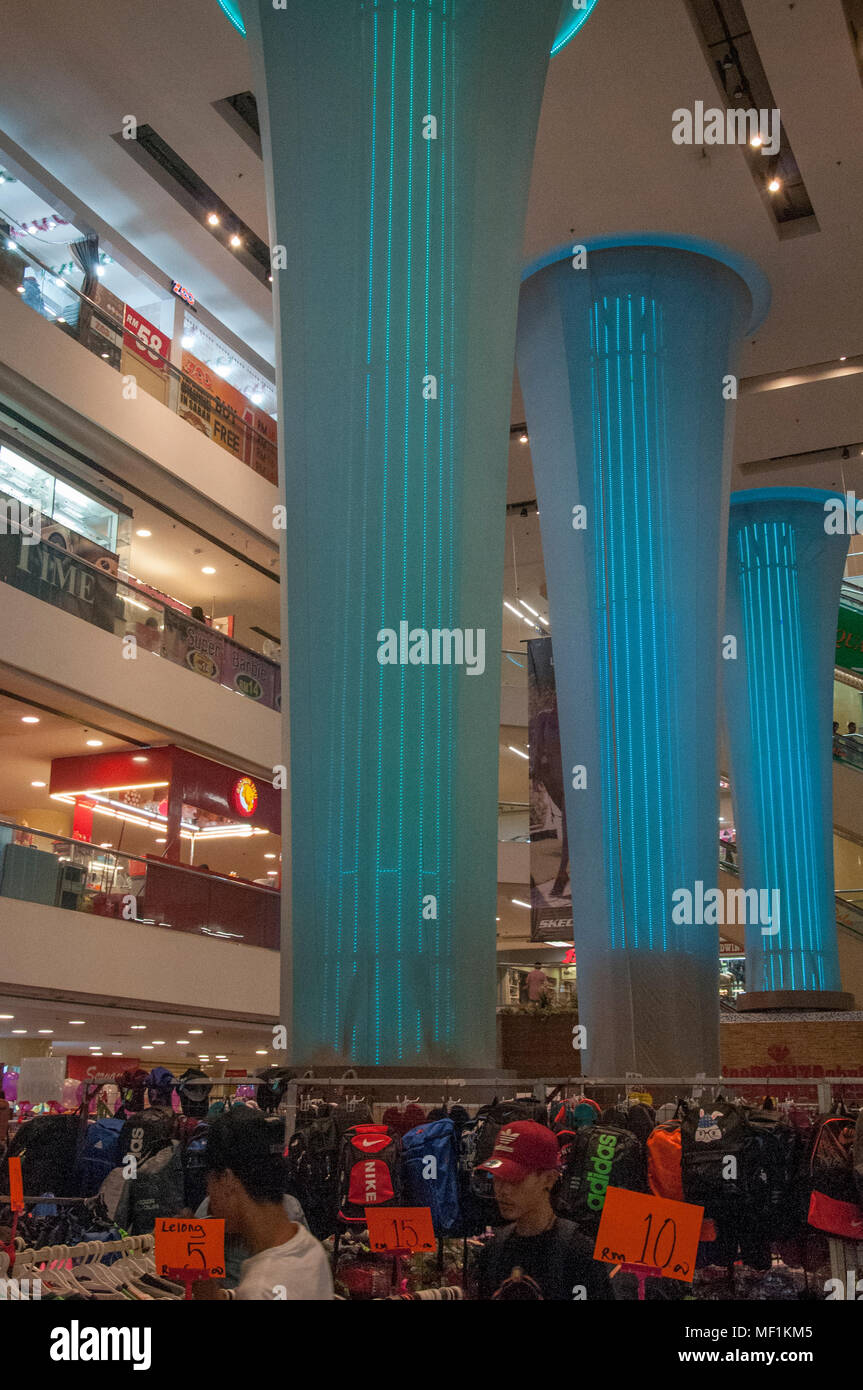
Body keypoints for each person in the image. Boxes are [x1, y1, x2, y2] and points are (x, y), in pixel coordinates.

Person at [192, 1109, 333, 1301]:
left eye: (210, 1184)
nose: (210, 1201)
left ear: (226, 1179)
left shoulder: (261, 1288)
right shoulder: (308, 1247)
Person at [474, 1121, 614, 1301]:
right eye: (497, 1177)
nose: (502, 1190)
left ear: (549, 1179)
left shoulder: (578, 1255)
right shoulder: (493, 1252)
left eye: (515, 1179)